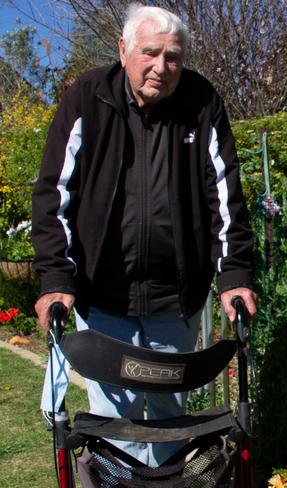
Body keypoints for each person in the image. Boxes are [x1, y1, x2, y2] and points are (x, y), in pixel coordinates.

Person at [31, 3, 257, 466]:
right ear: (123, 50)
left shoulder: (201, 102)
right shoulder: (87, 98)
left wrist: (234, 273)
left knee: (171, 416)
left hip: (174, 298)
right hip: (103, 297)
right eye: (150, 53)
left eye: (173, 57)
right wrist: (56, 278)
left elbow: (225, 195)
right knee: (117, 422)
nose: (161, 67)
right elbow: (53, 193)